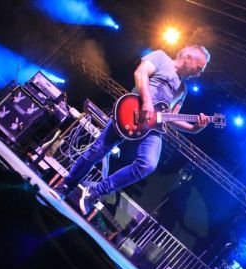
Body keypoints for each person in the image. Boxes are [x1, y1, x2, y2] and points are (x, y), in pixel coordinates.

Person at [54, 45, 211, 214]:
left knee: (148, 165)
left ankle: (95, 192)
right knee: (97, 150)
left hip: (152, 127)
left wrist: (194, 128)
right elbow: (140, 73)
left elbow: (171, 118)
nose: (199, 74)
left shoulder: (182, 90)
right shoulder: (161, 57)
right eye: (199, 68)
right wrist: (147, 102)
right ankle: (66, 186)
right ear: (188, 58)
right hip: (131, 111)